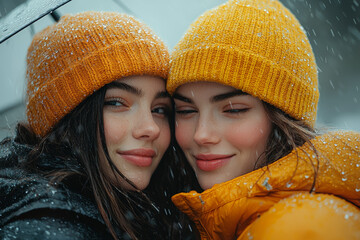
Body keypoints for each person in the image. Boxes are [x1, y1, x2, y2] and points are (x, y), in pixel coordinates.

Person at [166, 0, 360, 239]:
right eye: (186, 111)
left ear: (283, 120)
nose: (201, 134)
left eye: (233, 110)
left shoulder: (300, 228)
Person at [0, 11, 196, 240]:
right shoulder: (48, 225)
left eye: (159, 109)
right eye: (116, 103)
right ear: (66, 119)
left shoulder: (146, 205)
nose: (151, 128)